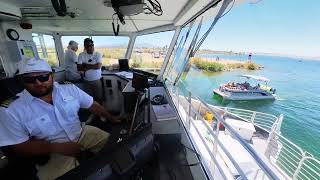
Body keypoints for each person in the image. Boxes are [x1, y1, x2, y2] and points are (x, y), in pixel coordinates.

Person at [0, 58, 121, 180]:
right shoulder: (10, 110)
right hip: (49, 149)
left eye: (43, 77)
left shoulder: (69, 88)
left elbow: (92, 105)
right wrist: (57, 148)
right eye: (29, 79)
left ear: (52, 76)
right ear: (21, 81)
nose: (38, 83)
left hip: (81, 132)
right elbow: (19, 147)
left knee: (117, 146)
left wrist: (111, 118)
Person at [77, 38, 103, 102]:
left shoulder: (97, 54)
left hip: (96, 80)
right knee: (88, 99)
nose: (90, 47)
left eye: (91, 45)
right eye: (88, 46)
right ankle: (91, 112)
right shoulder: (81, 55)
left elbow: (98, 66)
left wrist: (85, 65)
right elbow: (79, 68)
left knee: (99, 98)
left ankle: (99, 111)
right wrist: (93, 66)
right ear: (85, 46)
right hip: (86, 81)